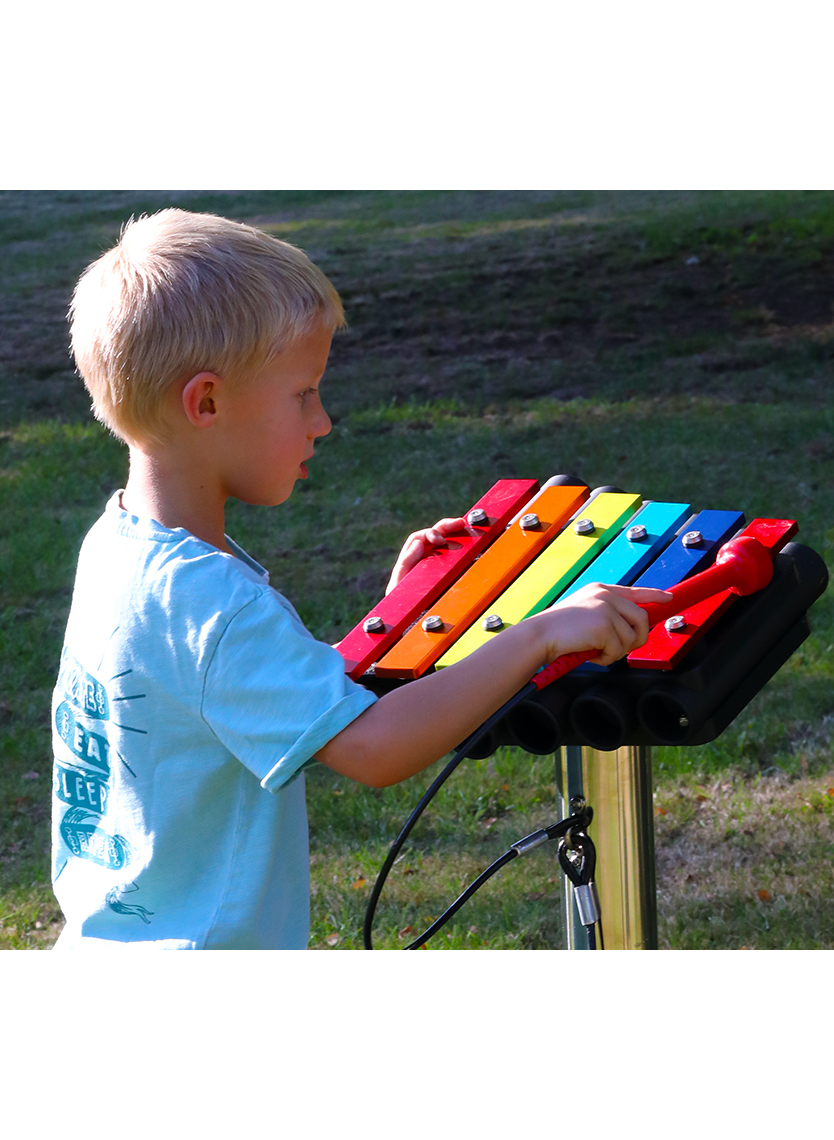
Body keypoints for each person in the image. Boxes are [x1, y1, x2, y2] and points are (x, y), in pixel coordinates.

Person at [52, 208, 669, 948]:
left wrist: (406, 605)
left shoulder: (118, 548)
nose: (322, 421)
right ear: (206, 402)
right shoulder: (214, 604)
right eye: (302, 393)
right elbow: (373, 749)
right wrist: (541, 635)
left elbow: (251, 692)